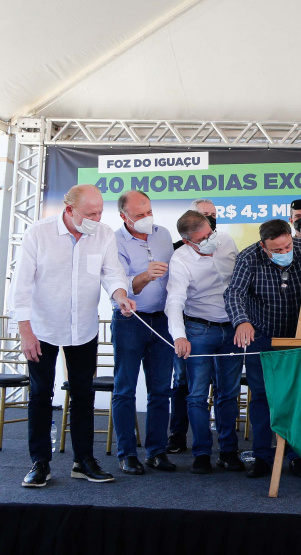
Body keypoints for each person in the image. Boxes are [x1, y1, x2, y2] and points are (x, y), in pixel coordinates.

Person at [12, 184, 135, 487]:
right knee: (41, 394)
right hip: (42, 327)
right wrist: (25, 331)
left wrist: (120, 295)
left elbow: (112, 273)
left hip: (83, 328)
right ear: (69, 210)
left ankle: (84, 461)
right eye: (90, 214)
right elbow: (21, 286)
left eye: (100, 212)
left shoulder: (103, 234)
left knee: (83, 393)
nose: (97, 219)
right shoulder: (38, 233)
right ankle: (40, 463)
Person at [224, 219, 301, 478]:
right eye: (277, 250)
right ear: (263, 246)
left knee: (298, 398)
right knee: (262, 397)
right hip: (262, 334)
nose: (284, 252)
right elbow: (234, 293)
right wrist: (241, 321)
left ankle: (298, 456)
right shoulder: (248, 257)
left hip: (299, 336)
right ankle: (262, 457)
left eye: (288, 247)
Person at [165, 211, 242, 474]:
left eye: (210, 233)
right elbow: (175, 300)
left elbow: (241, 280)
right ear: (187, 241)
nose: (210, 241)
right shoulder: (180, 259)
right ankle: (201, 453)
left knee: (228, 393)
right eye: (202, 239)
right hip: (199, 330)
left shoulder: (226, 241)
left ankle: (229, 451)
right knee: (197, 394)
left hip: (232, 328)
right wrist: (179, 335)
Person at [111, 191, 177, 475]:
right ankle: (127, 454)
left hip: (162, 320)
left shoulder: (163, 234)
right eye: (139, 215)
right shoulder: (113, 241)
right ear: (123, 216)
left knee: (161, 389)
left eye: (149, 212)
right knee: (125, 389)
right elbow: (119, 283)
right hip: (130, 320)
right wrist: (145, 276)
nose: (146, 218)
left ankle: (157, 451)